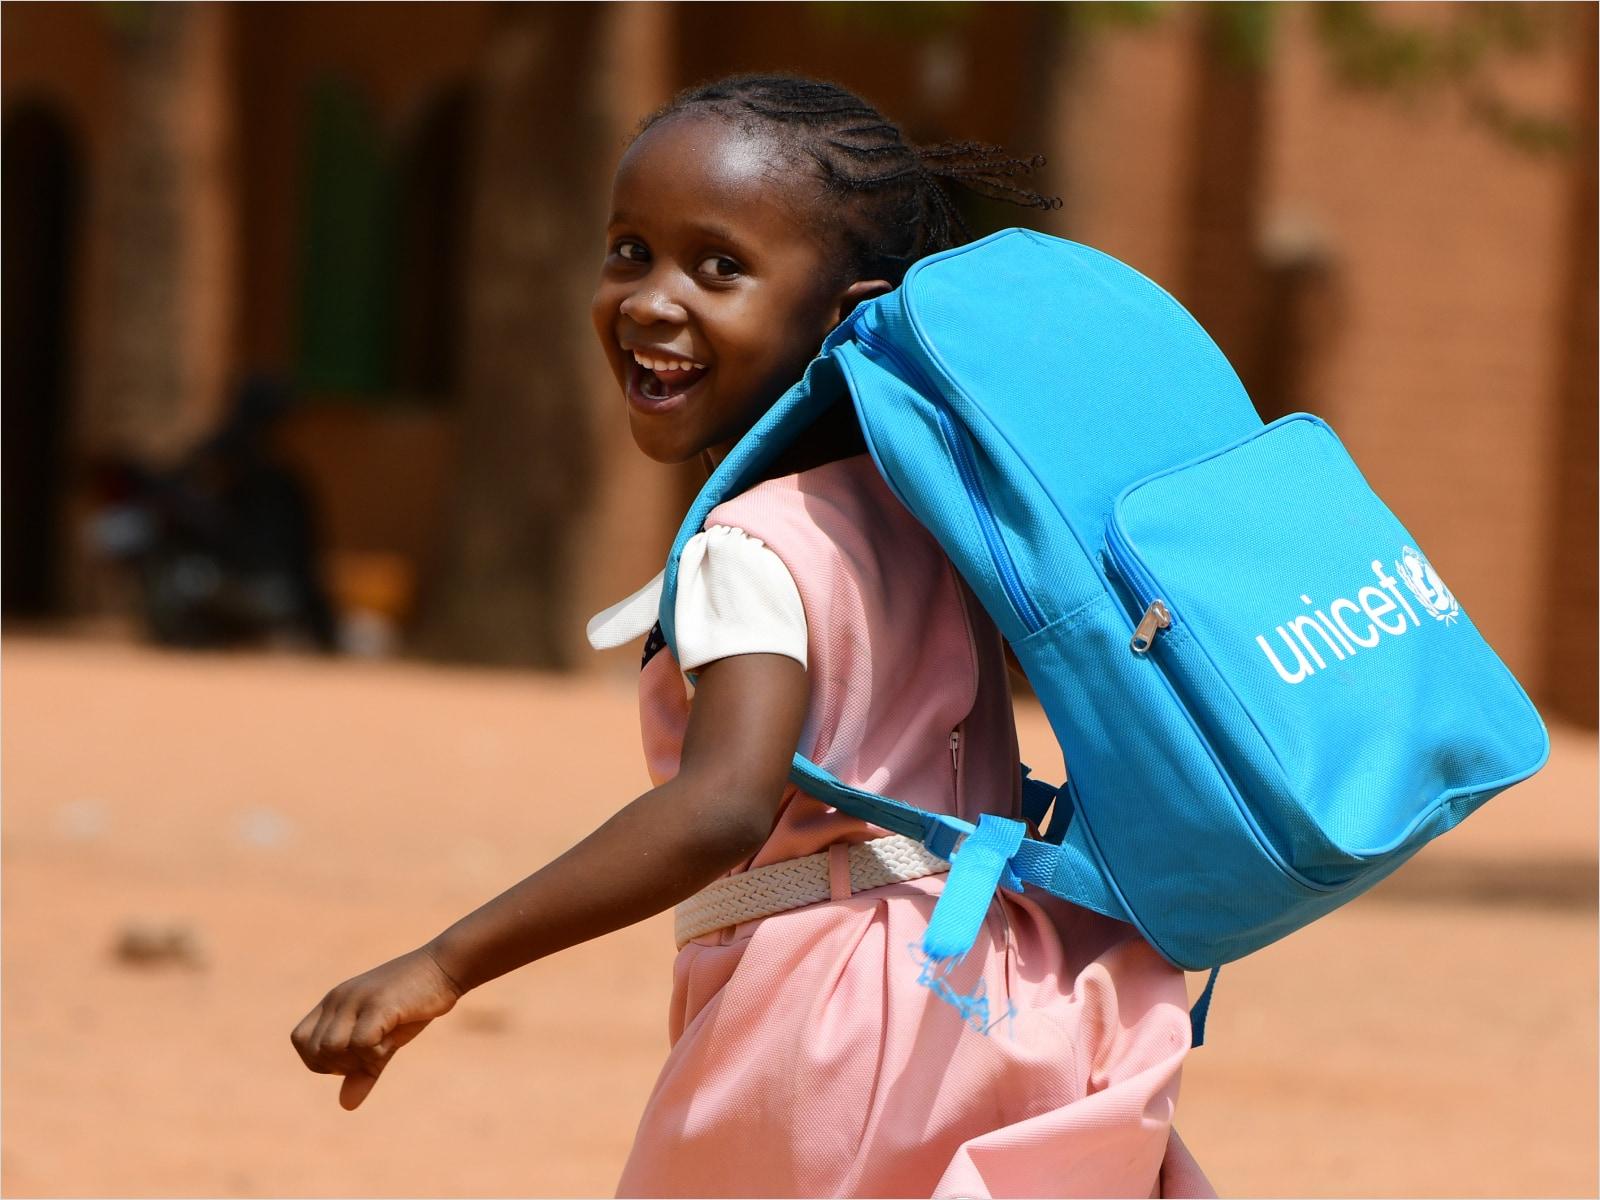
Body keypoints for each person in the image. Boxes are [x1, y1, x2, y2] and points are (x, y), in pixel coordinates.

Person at [292, 74, 1211, 1199]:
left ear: (842, 315)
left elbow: (723, 801)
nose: (650, 300)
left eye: (717, 268)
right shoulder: (927, 521)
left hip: (828, 1013)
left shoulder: (748, 544)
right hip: (999, 982)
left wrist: (444, 961)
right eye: (630, 250)